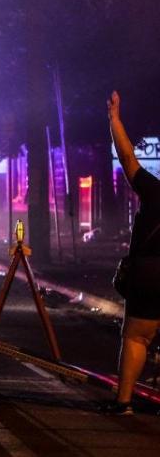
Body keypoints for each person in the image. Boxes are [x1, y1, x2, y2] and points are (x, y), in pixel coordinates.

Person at [104, 91, 160, 415]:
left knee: (137, 337)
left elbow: (128, 159)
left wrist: (115, 120)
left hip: (150, 274)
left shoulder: (155, 192)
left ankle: (124, 401)